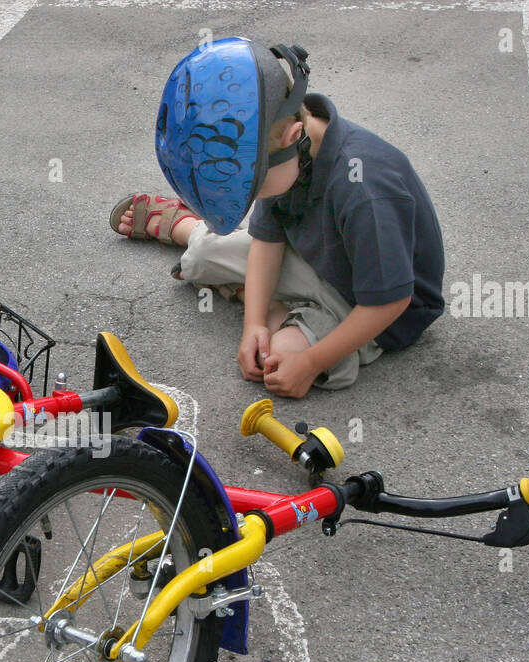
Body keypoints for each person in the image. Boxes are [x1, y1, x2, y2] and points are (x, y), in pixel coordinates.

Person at [110, 40, 445, 398]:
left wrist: (312, 362)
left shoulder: (367, 190)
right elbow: (268, 241)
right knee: (198, 262)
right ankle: (192, 231)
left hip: (376, 305)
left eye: (253, 190)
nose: (252, 199)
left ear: (293, 137)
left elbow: (389, 303)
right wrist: (252, 325)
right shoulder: (279, 155)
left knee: (283, 360)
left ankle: (209, 248)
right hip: (319, 260)